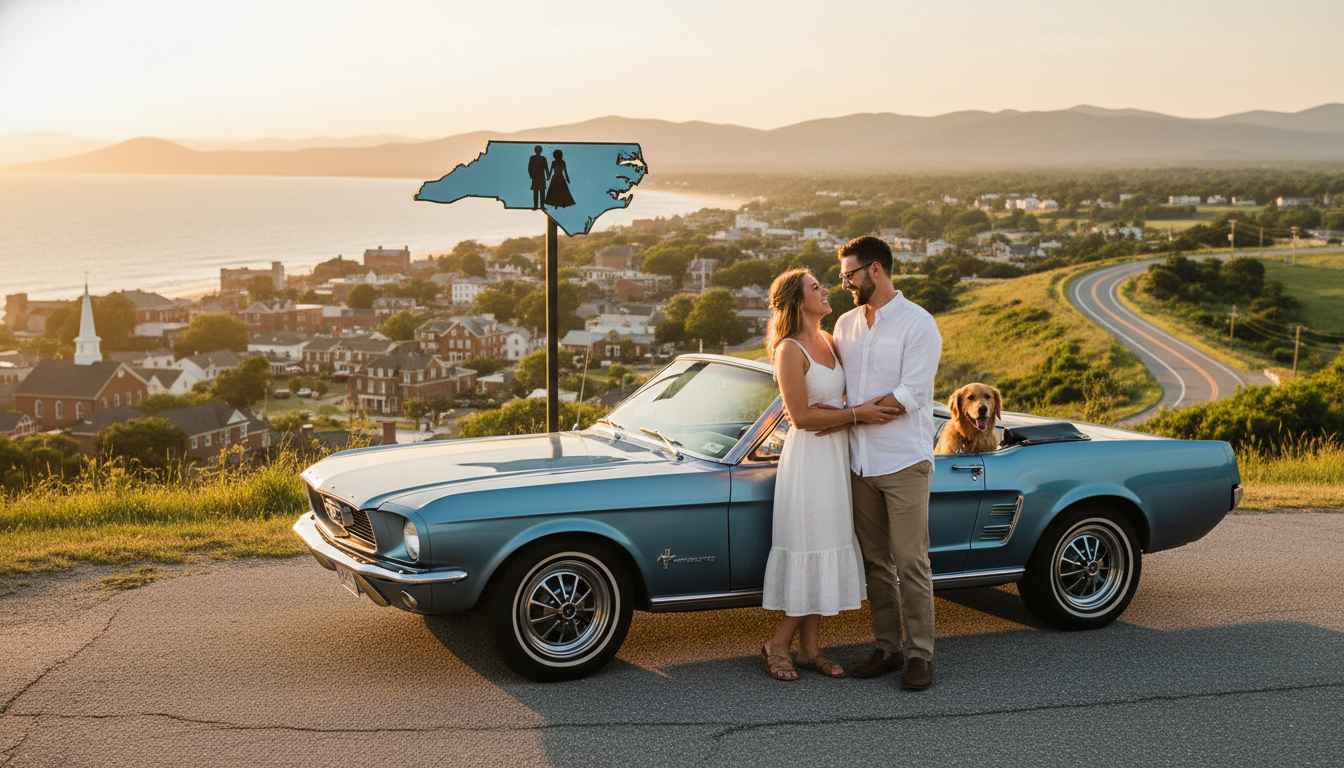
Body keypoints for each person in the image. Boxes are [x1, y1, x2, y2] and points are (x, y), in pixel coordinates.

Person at [759, 267, 900, 681]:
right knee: (810, 546)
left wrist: (844, 419)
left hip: (836, 452)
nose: (825, 291)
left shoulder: (831, 340)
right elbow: (801, 418)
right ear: (797, 301)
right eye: (815, 287)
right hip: (809, 461)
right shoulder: (789, 349)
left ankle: (810, 649)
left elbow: (841, 404)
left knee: (828, 545)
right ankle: (778, 644)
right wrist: (855, 415)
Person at [827, 235, 943, 691]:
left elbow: (914, 394)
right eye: (841, 277)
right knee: (875, 561)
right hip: (859, 462)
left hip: (903, 461)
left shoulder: (919, 324)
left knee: (911, 561)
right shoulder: (845, 324)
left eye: (849, 275)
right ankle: (888, 646)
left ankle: (921, 655)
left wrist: (861, 413)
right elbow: (833, 383)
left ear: (875, 270)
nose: (844, 284)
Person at [527, 146, 549, 210]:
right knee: (535, 192)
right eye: (537, 150)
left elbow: (546, 167)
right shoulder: (532, 158)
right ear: (535, 150)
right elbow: (529, 167)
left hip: (542, 176)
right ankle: (535, 206)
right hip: (535, 176)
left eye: (539, 150)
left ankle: (542, 206)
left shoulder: (543, 158)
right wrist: (531, 175)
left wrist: (548, 175)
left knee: (542, 192)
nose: (538, 151)